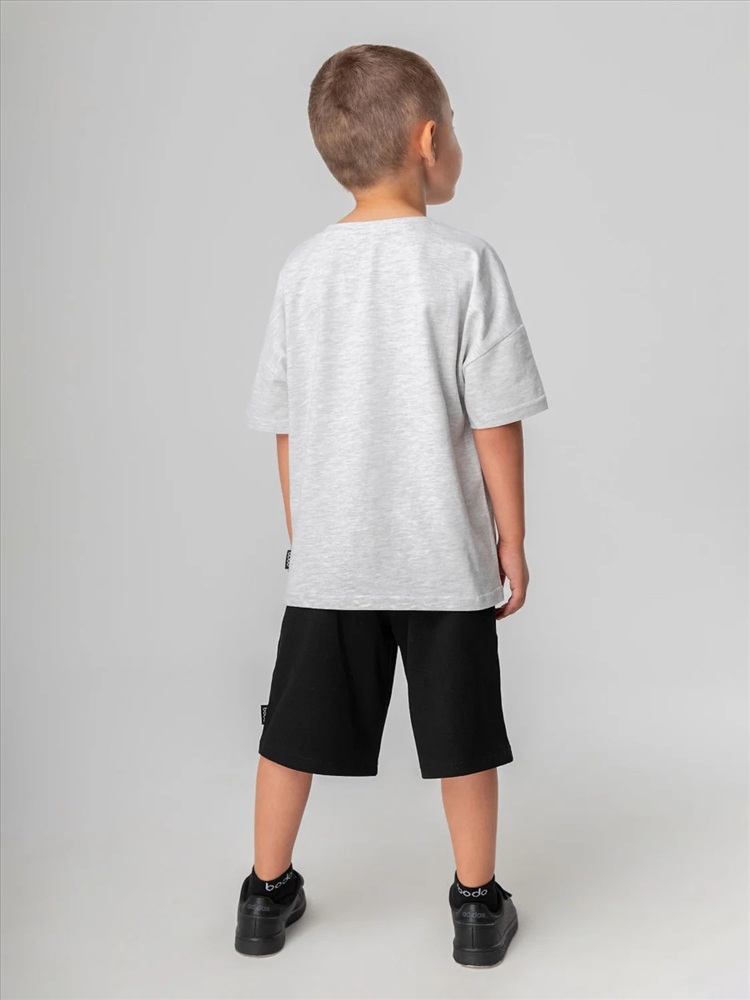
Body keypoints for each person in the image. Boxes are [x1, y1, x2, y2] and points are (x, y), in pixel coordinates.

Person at [235, 43, 549, 968]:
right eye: (456, 130)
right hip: (442, 556)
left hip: (331, 560)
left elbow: (286, 425)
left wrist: (309, 538)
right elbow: (495, 420)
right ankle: (478, 906)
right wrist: (512, 538)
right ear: (427, 141)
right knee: (465, 740)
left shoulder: (303, 269)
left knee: (288, 734)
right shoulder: (465, 264)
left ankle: (263, 894)